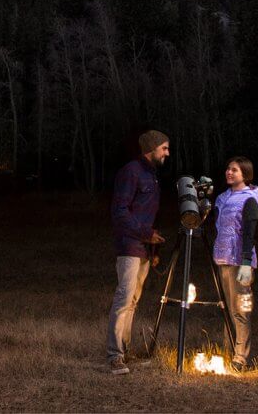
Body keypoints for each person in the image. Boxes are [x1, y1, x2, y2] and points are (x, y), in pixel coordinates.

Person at [106, 130, 169, 375]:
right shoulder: (131, 172)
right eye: (164, 148)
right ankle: (114, 356)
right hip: (130, 246)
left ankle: (124, 350)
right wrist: (145, 234)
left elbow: (146, 212)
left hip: (143, 247)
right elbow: (120, 211)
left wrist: (153, 248)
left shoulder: (151, 175)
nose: (167, 153)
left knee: (133, 301)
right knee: (123, 299)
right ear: (151, 148)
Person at [212, 156, 258, 373]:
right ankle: (228, 348)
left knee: (241, 308)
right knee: (228, 307)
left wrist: (246, 262)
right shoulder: (222, 198)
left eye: (235, 170)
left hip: (240, 261)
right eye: (228, 169)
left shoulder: (249, 199)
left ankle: (241, 356)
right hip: (222, 258)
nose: (229, 173)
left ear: (245, 174)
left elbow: (250, 232)